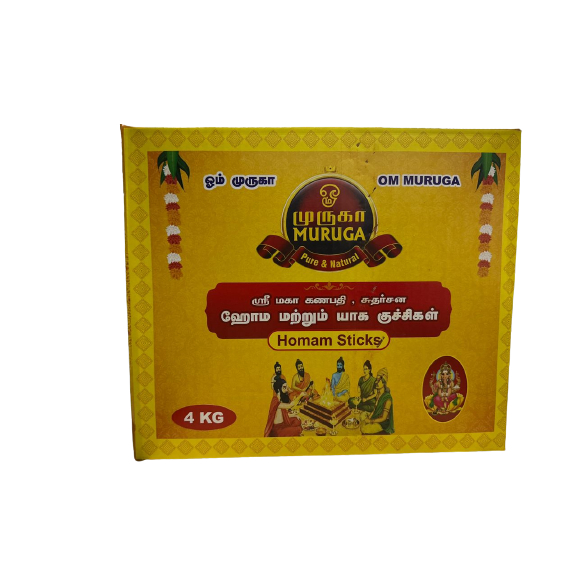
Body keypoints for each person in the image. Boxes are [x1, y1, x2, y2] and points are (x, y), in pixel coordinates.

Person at [361, 368, 394, 435]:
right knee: (362, 419)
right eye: (376, 380)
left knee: (364, 429)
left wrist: (370, 421)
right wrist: (369, 417)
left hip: (383, 424)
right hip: (376, 419)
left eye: (379, 380)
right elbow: (374, 410)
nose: (376, 382)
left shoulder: (387, 398)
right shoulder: (378, 395)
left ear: (384, 382)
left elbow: (384, 418)